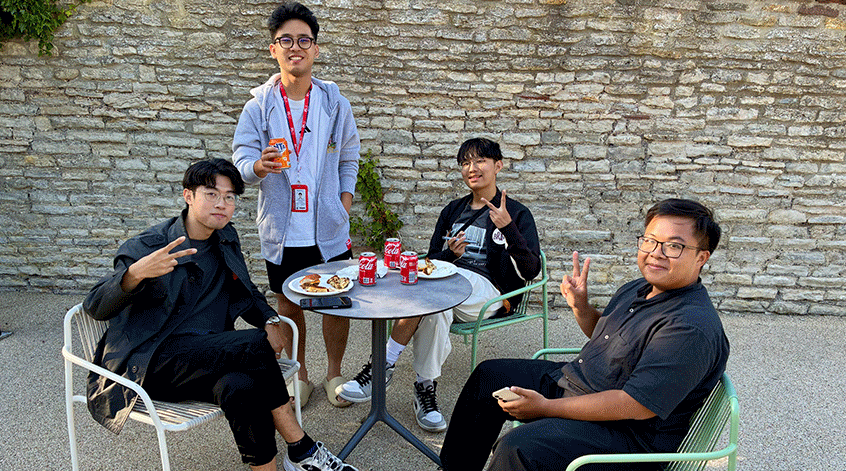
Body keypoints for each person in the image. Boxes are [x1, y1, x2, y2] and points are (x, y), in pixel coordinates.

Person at [83, 159, 357, 471]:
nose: (221, 204)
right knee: (253, 344)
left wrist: (269, 319)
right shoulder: (150, 245)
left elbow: (245, 290)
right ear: (188, 196)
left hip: (207, 358)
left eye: (229, 197)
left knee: (241, 386)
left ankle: (279, 466)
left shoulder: (225, 238)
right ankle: (302, 447)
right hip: (152, 364)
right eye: (211, 194)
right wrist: (134, 274)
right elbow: (95, 306)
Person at [438, 198, 731, 471]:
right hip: (582, 385)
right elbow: (607, 336)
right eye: (650, 240)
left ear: (701, 257)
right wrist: (581, 307)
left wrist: (545, 408)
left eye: (674, 246)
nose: (656, 252)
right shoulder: (639, 288)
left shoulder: (689, 326)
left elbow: (634, 405)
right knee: (489, 377)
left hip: (627, 435)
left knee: (519, 448)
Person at [338, 138, 541, 433]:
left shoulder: (517, 213)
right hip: (447, 286)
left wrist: (508, 228)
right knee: (436, 308)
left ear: (498, 165)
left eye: (480, 161)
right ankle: (425, 389)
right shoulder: (453, 210)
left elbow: (531, 271)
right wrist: (450, 255)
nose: (472, 168)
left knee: (432, 294)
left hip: (489, 292)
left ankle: (381, 366)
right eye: (465, 163)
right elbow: (433, 260)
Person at [232, 1, 360, 409]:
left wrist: (343, 202)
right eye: (285, 40)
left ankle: (334, 373)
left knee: (336, 302)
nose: (295, 47)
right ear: (274, 49)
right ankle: (299, 376)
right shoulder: (258, 107)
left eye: (304, 40)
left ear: (315, 49)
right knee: (289, 303)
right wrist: (258, 166)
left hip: (328, 226)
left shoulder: (335, 103)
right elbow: (240, 160)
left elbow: (349, 157)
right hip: (283, 228)